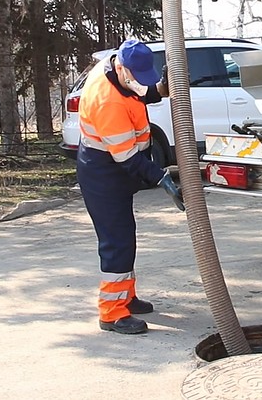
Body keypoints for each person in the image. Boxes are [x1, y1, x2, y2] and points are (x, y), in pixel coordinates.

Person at [77, 38, 184, 335]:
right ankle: (111, 313)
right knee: (117, 242)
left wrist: (160, 89)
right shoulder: (107, 100)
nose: (141, 83)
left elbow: (137, 92)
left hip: (113, 167)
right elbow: (127, 158)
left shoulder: (119, 71)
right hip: (103, 172)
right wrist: (162, 179)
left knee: (126, 236)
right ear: (121, 68)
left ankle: (126, 296)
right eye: (137, 78)